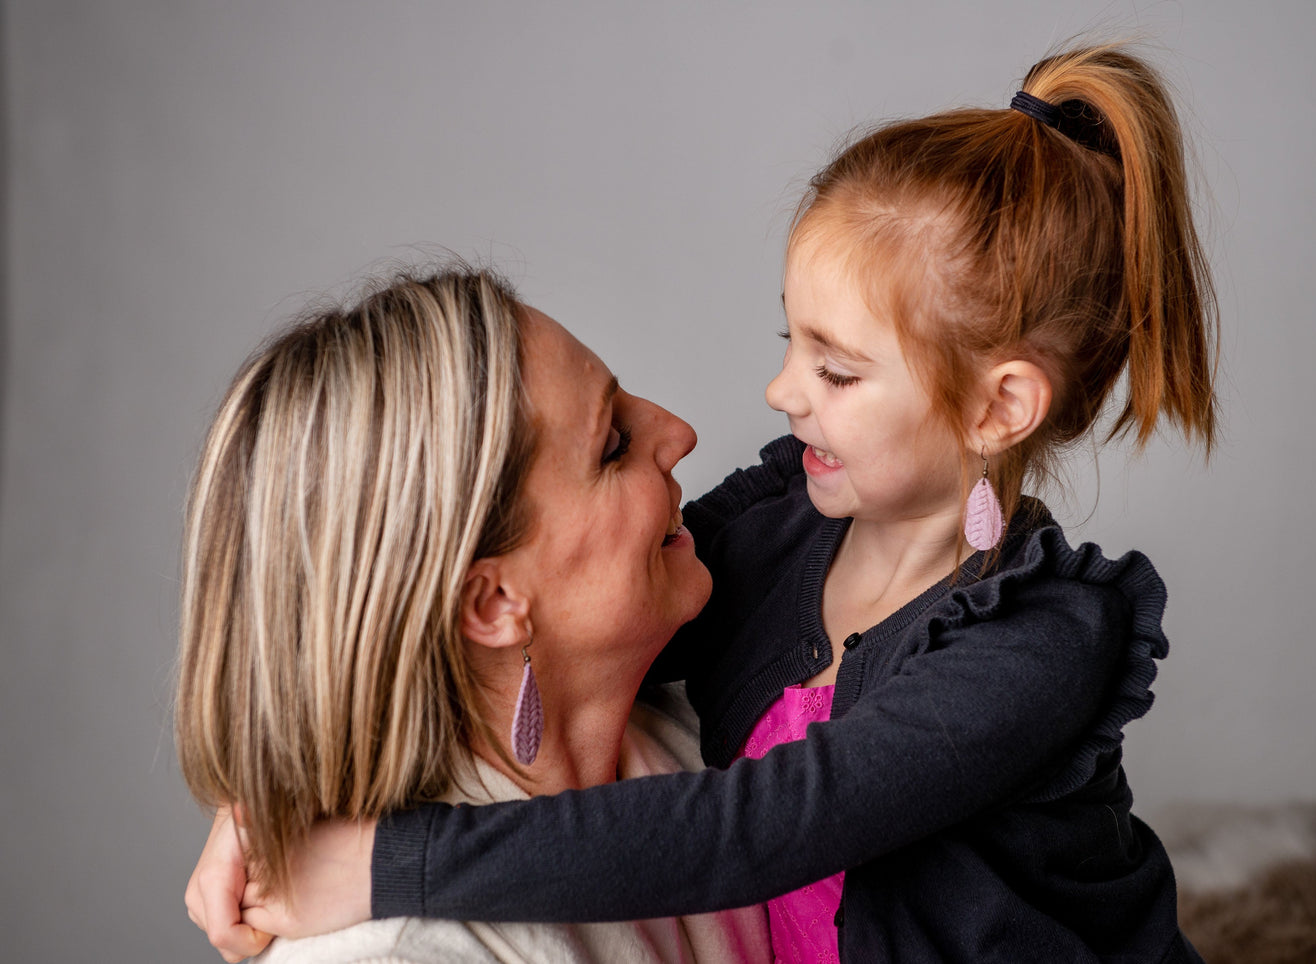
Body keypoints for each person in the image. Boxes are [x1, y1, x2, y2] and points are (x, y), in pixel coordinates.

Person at [190, 42, 1215, 962]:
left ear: (998, 407)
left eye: (837, 370)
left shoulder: (1035, 640)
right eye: (790, 344)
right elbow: (436, 660)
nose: (770, 397)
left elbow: (757, 827)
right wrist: (272, 816)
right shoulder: (775, 532)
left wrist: (385, 857)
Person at [175, 265, 770, 963]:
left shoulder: (725, 701)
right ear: (491, 605)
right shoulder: (395, 952)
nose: (678, 432)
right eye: (612, 446)